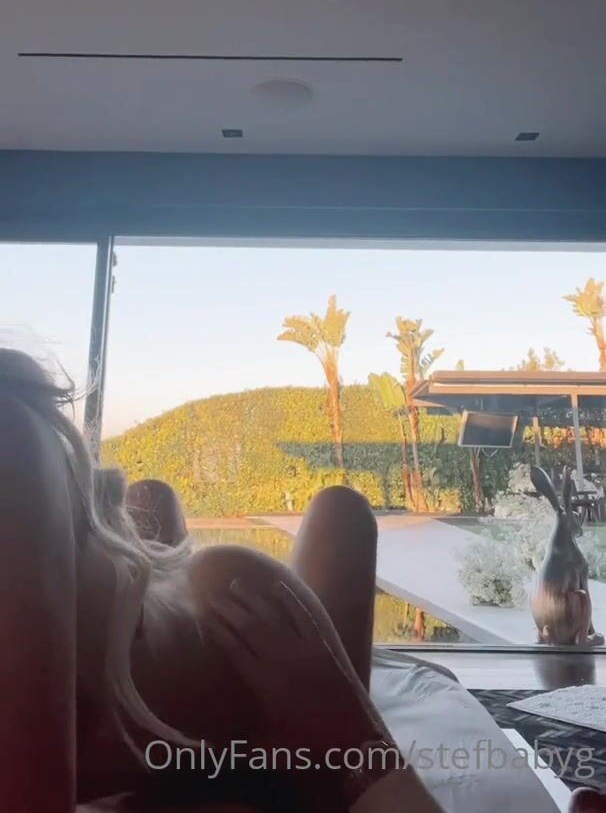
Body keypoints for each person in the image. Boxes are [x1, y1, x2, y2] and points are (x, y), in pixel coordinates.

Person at [0, 348, 441, 812]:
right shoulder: (16, 431)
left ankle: (144, 574)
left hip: (195, 623)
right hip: (215, 629)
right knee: (341, 511)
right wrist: (352, 731)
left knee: (158, 501)